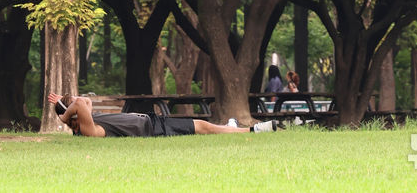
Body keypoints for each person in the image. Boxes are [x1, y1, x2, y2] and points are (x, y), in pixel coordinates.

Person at [47, 93, 277, 137]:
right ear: (75, 118)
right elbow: (79, 103)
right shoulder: (88, 131)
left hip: (150, 122)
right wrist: (63, 115)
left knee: (202, 125)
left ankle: (231, 128)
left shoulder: (87, 121)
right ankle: (250, 130)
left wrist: (62, 106)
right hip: (152, 129)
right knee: (201, 125)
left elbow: (82, 101)